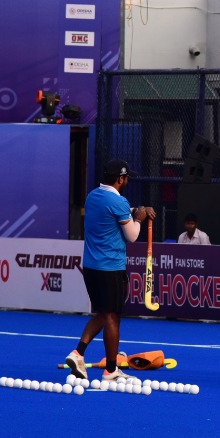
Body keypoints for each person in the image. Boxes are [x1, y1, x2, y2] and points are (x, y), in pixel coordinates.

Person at [64, 159, 156, 384]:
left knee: (104, 313)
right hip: (110, 268)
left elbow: (114, 213)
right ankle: (112, 370)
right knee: (113, 317)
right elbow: (132, 235)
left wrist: (135, 210)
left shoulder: (93, 196)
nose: (127, 181)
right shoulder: (119, 201)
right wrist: (139, 218)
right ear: (120, 179)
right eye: (126, 178)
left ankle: (77, 354)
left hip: (91, 267)